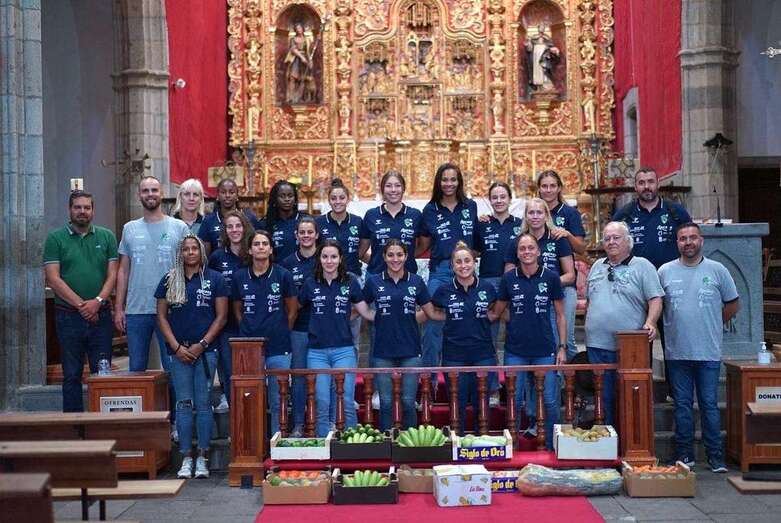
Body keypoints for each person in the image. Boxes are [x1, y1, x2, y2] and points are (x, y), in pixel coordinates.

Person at [658, 223, 739, 472]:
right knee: (682, 405)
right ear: (677, 243)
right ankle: (685, 455)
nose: (688, 242)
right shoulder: (665, 271)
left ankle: (715, 457)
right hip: (677, 352)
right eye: (683, 238)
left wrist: (711, 323)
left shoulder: (717, 270)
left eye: (692, 237)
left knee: (708, 405)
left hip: (708, 351)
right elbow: (657, 305)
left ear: (701, 241)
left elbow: (732, 304)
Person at [115, 176, 189, 437]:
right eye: (145, 190)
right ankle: (139, 425)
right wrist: (119, 307)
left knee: (173, 370)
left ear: (162, 193)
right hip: (137, 309)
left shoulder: (179, 227)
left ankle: (176, 423)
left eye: (154, 190)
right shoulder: (129, 229)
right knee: (136, 369)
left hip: (171, 310)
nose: (150, 194)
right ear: (139, 195)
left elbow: (189, 266)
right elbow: (123, 271)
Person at [613, 167, 692, 397]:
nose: (646, 186)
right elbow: (614, 245)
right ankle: (640, 391)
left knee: (673, 338)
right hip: (636, 286)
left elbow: (688, 241)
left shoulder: (675, 211)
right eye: (641, 182)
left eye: (650, 181)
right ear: (635, 187)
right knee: (640, 337)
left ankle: (676, 391)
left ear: (658, 184)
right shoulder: (625, 215)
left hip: (671, 283)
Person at [155, 235, 228, 479]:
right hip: (179, 352)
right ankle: (186, 456)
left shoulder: (214, 279)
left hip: (206, 351)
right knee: (184, 403)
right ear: (180, 253)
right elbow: (161, 317)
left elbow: (221, 317)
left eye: (194, 248)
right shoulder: (169, 279)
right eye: (185, 249)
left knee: (204, 404)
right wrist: (176, 347)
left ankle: (203, 457)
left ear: (201, 251)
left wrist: (202, 344)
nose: (190, 252)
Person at [43, 190, 118, 412]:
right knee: (71, 374)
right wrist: (82, 306)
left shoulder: (107, 236)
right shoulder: (55, 238)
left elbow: (113, 274)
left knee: (102, 373)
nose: (82, 211)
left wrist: (97, 301)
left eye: (87, 207)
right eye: (78, 207)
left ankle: (101, 423)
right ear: (70, 210)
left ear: (93, 210)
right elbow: (53, 278)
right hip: (68, 317)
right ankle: (73, 427)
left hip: (100, 317)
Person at [584, 221, 664, 425]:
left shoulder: (643, 266)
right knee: (604, 396)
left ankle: (629, 439)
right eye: (607, 238)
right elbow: (590, 300)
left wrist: (651, 322)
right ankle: (609, 437)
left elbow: (656, 298)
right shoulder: (596, 266)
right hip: (596, 344)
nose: (611, 242)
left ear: (628, 241)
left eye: (616, 237)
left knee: (629, 396)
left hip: (630, 346)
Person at [492, 234, 566, 449]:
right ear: (517, 253)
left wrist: (562, 347)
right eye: (522, 248)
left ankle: (552, 446)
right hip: (515, 350)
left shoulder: (551, 277)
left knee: (550, 400)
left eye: (531, 248)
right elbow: (497, 311)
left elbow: (560, 315)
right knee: (514, 400)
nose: (527, 252)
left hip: (545, 349)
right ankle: (512, 446)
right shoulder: (508, 279)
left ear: (538, 251)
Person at [298, 240, 374, 437]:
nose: (329, 261)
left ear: (340, 259)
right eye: (325, 257)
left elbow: (365, 312)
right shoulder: (310, 283)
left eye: (333, 257)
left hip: (344, 350)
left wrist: (392, 316)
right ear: (319, 259)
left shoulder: (350, 281)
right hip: (316, 352)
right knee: (322, 401)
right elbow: (294, 308)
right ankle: (325, 443)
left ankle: (353, 443)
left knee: (346, 401)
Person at [423, 241, 497, 434]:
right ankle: (458, 441)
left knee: (482, 403)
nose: (463, 265)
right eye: (458, 262)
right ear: (452, 265)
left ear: (474, 262)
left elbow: (497, 312)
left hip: (483, 354)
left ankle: (482, 441)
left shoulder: (487, 288)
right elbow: (433, 312)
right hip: (454, 355)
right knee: (457, 403)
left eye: (467, 260)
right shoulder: (443, 291)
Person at [231, 230, 298, 436]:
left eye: (265, 244)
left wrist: (281, 328)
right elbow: (237, 309)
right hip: (249, 346)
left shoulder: (283, 275)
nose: (261, 247)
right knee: (251, 395)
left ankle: (277, 441)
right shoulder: (239, 276)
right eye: (256, 244)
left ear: (270, 249)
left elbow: (292, 309)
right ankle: (254, 440)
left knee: (279, 398)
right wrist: (248, 329)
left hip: (279, 344)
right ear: (250, 250)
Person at [364, 240, 435, 430]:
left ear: (406, 257)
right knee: (386, 402)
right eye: (390, 255)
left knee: (408, 401)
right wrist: (373, 316)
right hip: (383, 351)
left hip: (410, 350)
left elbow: (428, 311)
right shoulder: (374, 281)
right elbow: (360, 305)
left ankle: (409, 441)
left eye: (399, 255)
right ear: (384, 257)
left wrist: (410, 318)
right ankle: (387, 441)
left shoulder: (416, 281)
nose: (395, 259)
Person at [418, 163, 478, 381]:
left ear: (459, 182)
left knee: (468, 322)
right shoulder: (430, 209)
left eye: (453, 179)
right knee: (432, 324)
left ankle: (465, 379)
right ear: (438, 182)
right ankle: (429, 380)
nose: (449, 183)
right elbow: (423, 244)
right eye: (445, 179)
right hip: (441, 271)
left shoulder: (470, 206)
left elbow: (476, 240)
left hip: (466, 271)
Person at [504, 198, 575, 349]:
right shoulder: (517, 242)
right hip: (525, 296)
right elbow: (508, 277)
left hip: (554, 296)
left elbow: (570, 275)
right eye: (531, 213)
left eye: (539, 212)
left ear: (546, 216)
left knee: (562, 342)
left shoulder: (558, 239)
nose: (535, 216)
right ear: (525, 216)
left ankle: (561, 363)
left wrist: (547, 284)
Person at [474, 181, 522, 405]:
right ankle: (492, 388)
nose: (499, 200)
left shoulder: (520, 225)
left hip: (515, 282)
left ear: (510, 199)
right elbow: (473, 251)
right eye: (495, 197)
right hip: (488, 282)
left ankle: (516, 388)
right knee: (488, 337)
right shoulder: (482, 224)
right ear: (490, 200)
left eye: (503, 196)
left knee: (516, 334)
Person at [537, 170, 586, 361]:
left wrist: (567, 234)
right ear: (539, 189)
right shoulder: (535, 212)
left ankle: (571, 379)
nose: (548, 190)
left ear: (559, 188)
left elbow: (581, 248)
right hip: (539, 284)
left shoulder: (569, 213)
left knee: (567, 339)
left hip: (564, 283)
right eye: (544, 186)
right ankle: (553, 377)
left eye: (552, 186)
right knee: (547, 337)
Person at [207, 210, 254, 411]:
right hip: (225, 323)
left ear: (245, 228)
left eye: (238, 226)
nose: (235, 230)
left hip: (250, 322)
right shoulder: (217, 257)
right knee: (228, 368)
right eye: (230, 226)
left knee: (251, 371)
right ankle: (232, 407)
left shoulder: (253, 253)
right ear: (225, 231)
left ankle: (251, 409)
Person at [280, 216, 319, 437]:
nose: (306, 236)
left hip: (324, 328)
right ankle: (297, 424)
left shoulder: (325, 258)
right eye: (302, 232)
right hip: (298, 328)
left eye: (310, 232)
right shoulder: (287, 263)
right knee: (299, 377)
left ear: (317, 235)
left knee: (323, 378)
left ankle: (322, 424)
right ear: (296, 236)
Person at [316, 179, 364, 346]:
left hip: (352, 275)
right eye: (334, 198)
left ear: (348, 199)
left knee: (353, 325)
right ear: (329, 200)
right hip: (327, 278)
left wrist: (353, 258)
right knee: (329, 320)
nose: (338, 202)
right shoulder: (319, 222)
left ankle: (352, 358)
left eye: (341, 198)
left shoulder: (357, 221)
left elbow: (364, 244)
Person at [359, 170, 423, 278]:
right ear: (382, 189)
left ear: (403, 189)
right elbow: (361, 250)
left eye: (397, 186)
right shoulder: (371, 215)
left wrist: (406, 258)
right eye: (388, 186)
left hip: (407, 277)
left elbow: (424, 245)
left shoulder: (415, 215)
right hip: (376, 277)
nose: (393, 190)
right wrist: (375, 262)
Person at [198, 178, 261, 255]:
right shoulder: (208, 221)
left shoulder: (249, 217)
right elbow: (205, 254)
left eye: (231, 192)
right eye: (223, 192)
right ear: (217, 196)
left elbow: (258, 242)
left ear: (237, 196)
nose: (227, 195)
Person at [259, 180, 305, 262]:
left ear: (295, 199)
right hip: (276, 268)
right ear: (275, 199)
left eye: (290, 196)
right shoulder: (265, 223)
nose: (287, 199)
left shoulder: (305, 220)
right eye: (282, 196)